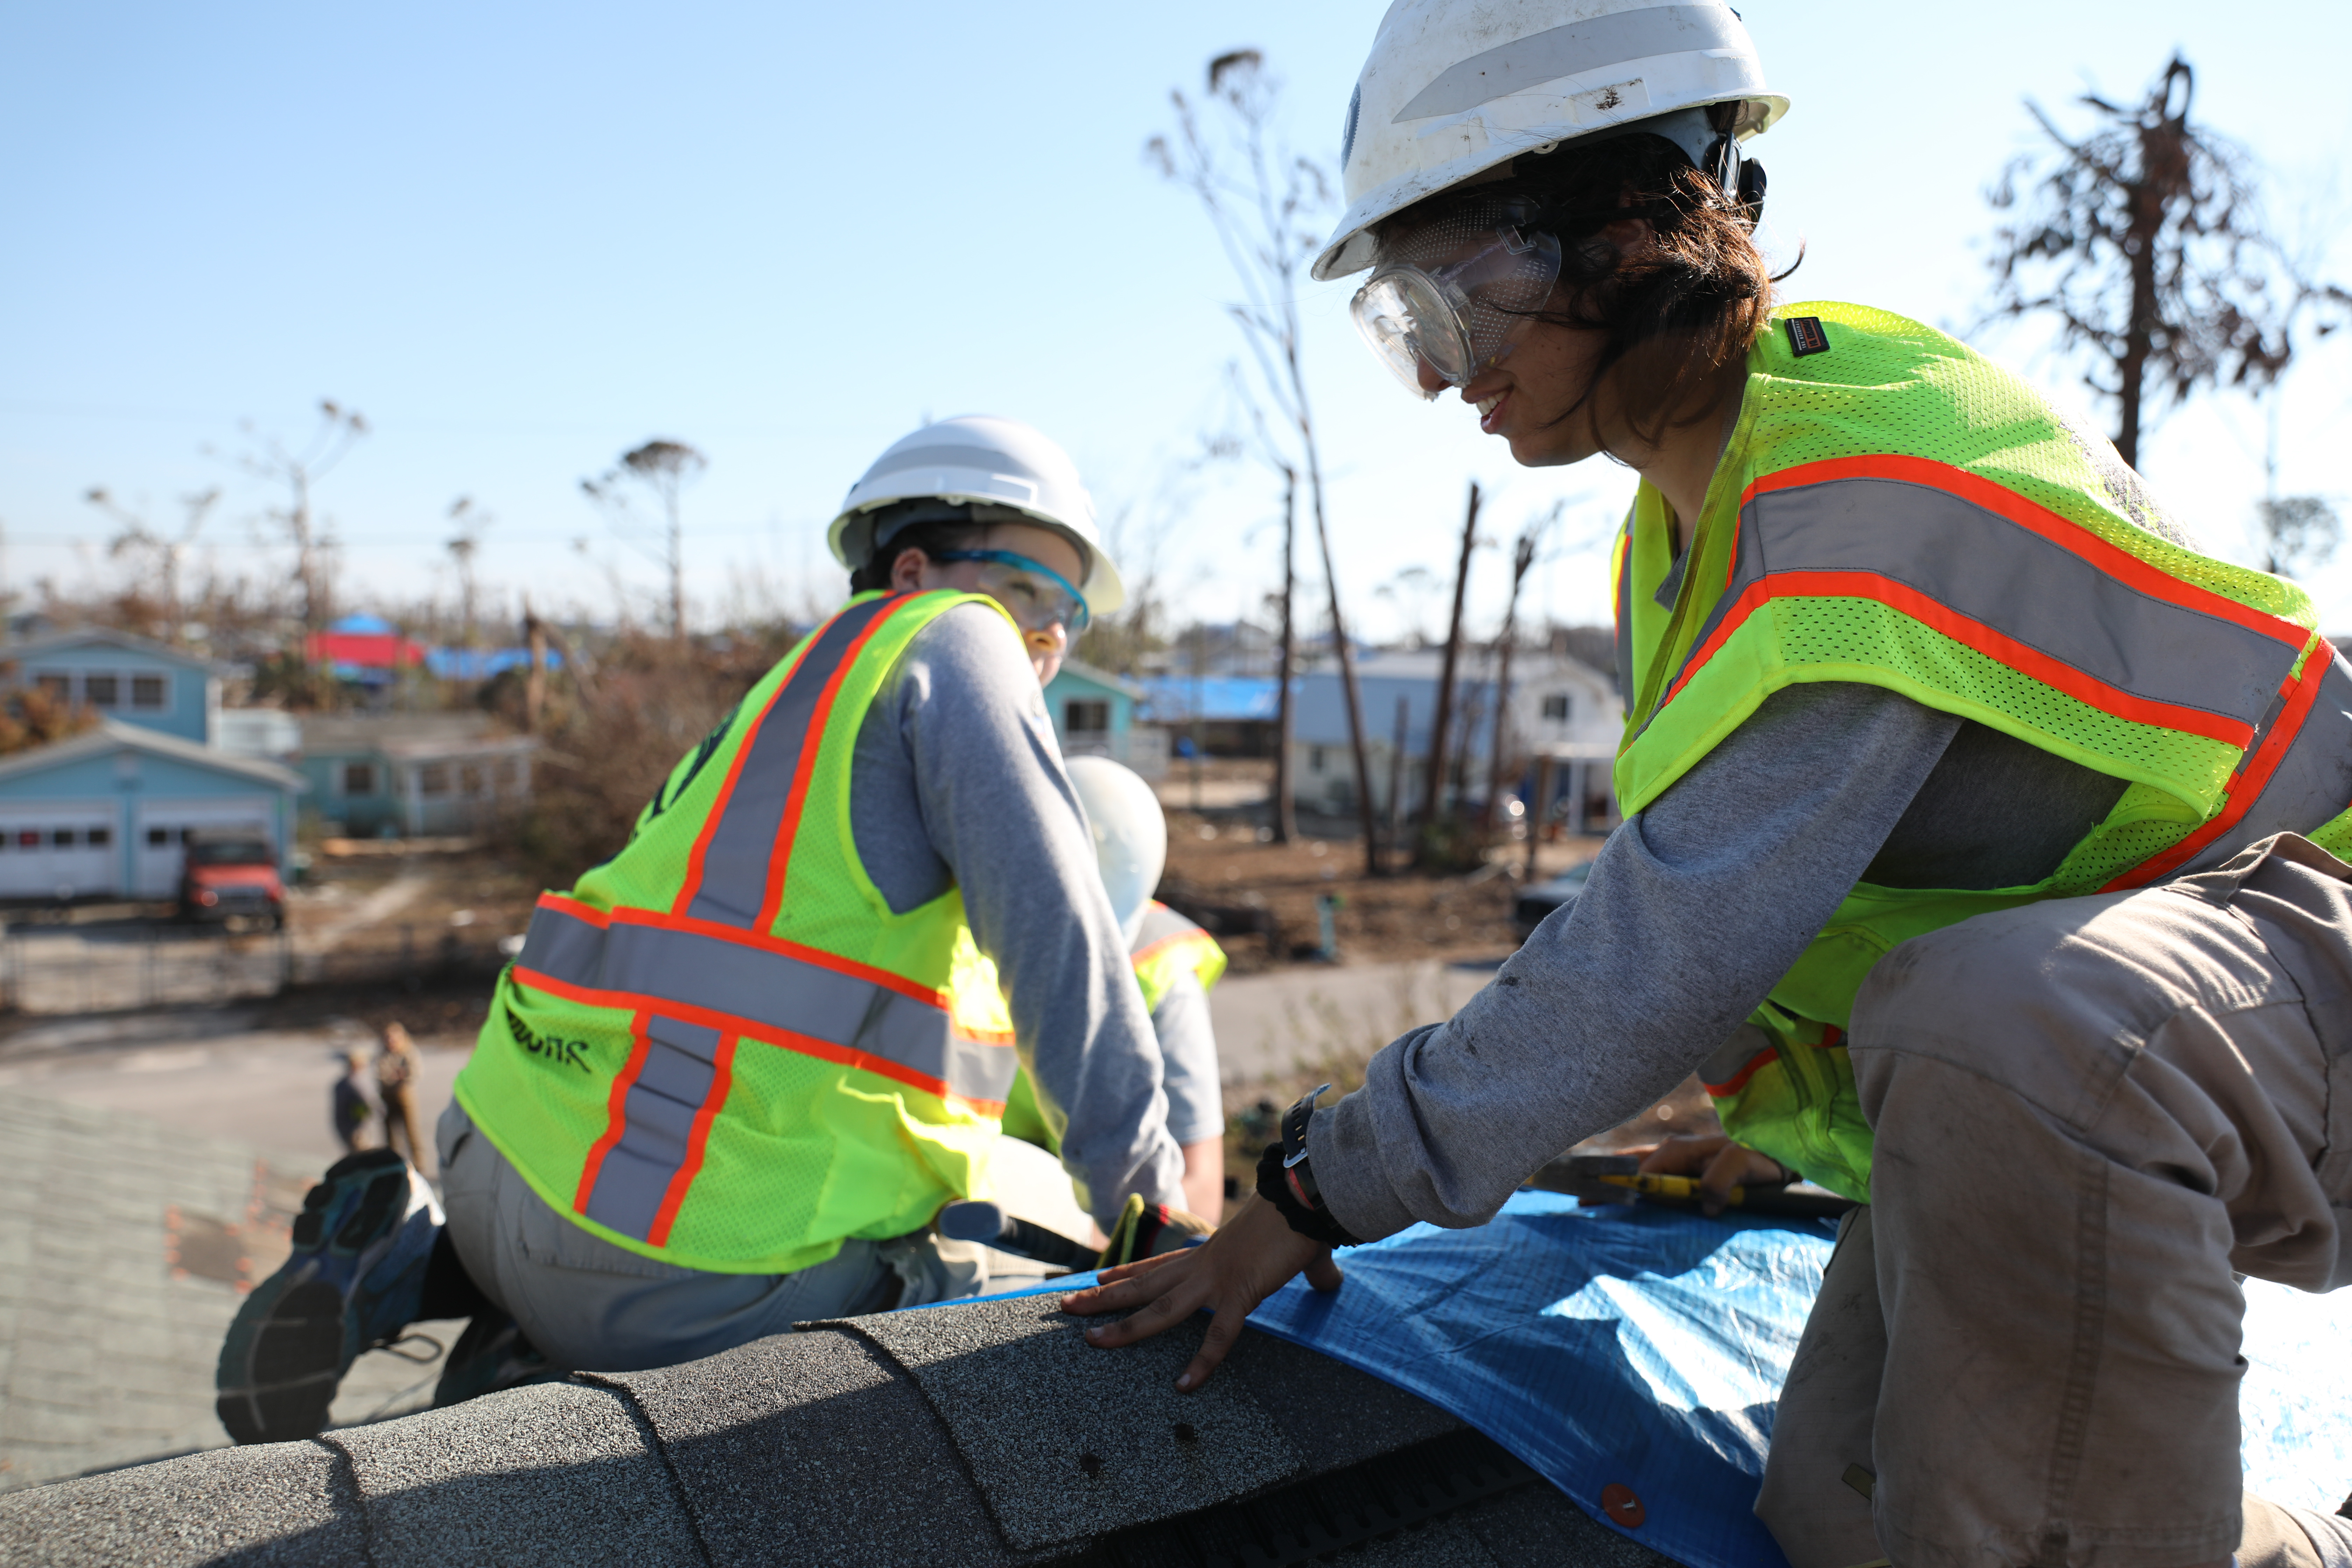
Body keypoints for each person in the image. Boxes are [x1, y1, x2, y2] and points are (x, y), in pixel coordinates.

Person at [1068, 7, 2352, 1568]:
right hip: (2127, 1028)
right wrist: (1790, 1131)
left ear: (1618, 226)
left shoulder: (1849, 489)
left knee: (1992, 1040)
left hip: (2281, 952)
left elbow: (1657, 954)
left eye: (1444, 304)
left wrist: (1309, 1192)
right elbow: (1785, 892)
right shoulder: (1673, 540)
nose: (1430, 379)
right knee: (1840, 1495)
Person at [218, 415, 1191, 1441]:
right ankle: (551, 1360)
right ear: (912, 569)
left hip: (486, 1172)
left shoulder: (774, 715)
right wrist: (1155, 1212)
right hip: (667, 1274)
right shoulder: (954, 635)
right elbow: (1058, 935)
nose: (1045, 645)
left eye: (1068, 617)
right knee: (1044, 1276)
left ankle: (407, 1257)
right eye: (1031, 596)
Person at [997, 754, 1229, 1224]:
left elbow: (1201, 1195)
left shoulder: (1162, 977)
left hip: (1113, 1228)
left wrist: (1101, 1246)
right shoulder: (987, 944)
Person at [374, 1022, 426, 1166]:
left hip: (406, 1097)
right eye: (388, 1039)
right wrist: (396, 1076)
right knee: (391, 1136)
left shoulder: (409, 1052)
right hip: (387, 1097)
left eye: (394, 1039)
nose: (391, 1042)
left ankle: (419, 1166)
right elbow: (381, 1074)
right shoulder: (383, 1054)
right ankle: (393, 1166)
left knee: (412, 1134)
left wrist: (400, 1076)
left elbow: (415, 1073)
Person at [330, 1050, 372, 1155]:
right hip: (356, 1129)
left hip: (344, 1127)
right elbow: (369, 1104)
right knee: (362, 1156)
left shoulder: (341, 1084)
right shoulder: (354, 1084)